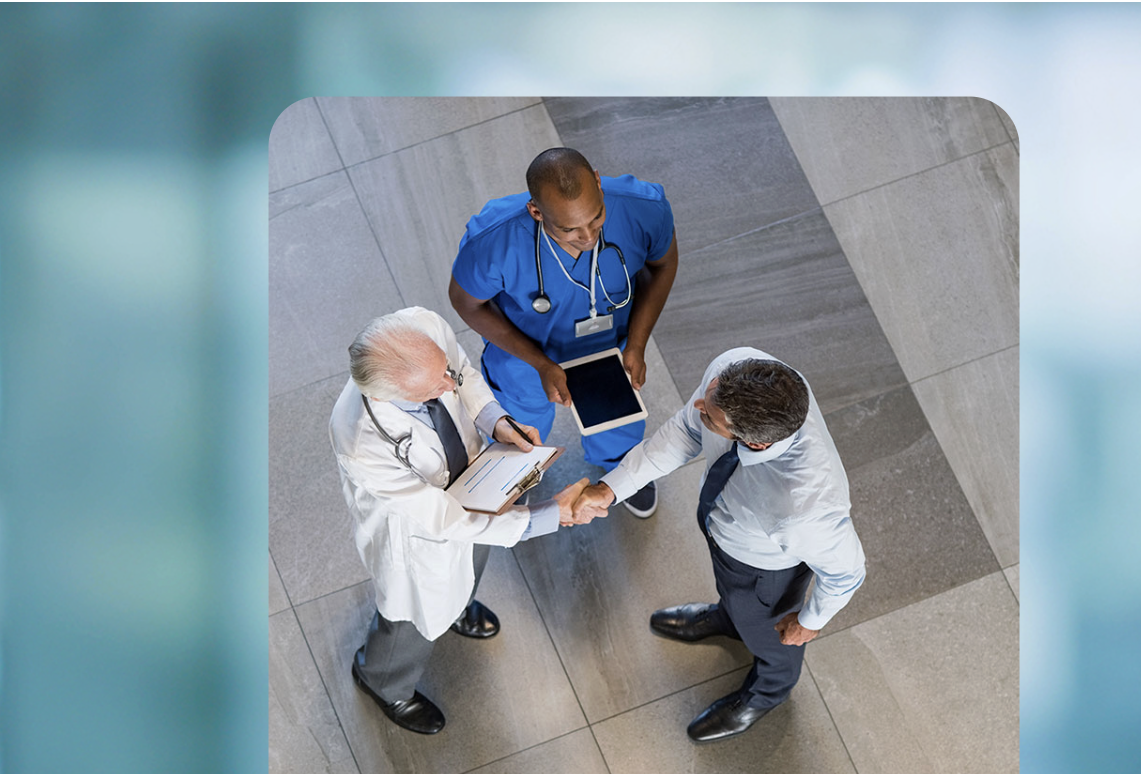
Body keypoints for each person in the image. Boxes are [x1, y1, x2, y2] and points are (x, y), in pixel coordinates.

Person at [570, 349, 866, 743]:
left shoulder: (807, 508)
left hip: (764, 570)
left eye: (711, 417)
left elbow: (847, 572)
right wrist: (611, 489)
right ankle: (729, 619)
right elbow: (686, 430)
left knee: (771, 637)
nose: (698, 408)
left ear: (755, 444)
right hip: (724, 527)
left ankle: (768, 692)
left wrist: (809, 621)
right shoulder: (739, 367)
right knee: (734, 599)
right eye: (709, 397)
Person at [329, 306, 595, 735]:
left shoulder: (423, 329)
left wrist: (498, 421)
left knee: (471, 561)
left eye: (443, 372)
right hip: (419, 534)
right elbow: (446, 521)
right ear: (385, 396)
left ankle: (458, 607)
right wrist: (548, 516)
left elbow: (465, 374)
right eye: (434, 388)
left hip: (474, 484)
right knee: (411, 615)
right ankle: (383, 681)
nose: (447, 384)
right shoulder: (363, 441)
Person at [448, 146, 678, 518]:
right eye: (569, 230)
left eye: (597, 217)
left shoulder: (644, 207)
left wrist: (636, 343)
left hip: (610, 345)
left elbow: (664, 264)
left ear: (600, 184)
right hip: (525, 355)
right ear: (536, 212)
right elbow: (465, 302)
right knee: (520, 426)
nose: (587, 237)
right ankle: (518, 474)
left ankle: (620, 469)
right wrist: (539, 363)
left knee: (618, 417)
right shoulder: (492, 242)